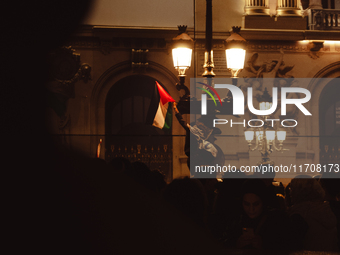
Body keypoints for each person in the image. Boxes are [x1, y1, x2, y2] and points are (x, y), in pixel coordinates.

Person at [221, 179, 288, 250]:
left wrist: (266, 245)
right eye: (247, 204)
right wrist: (235, 244)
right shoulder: (236, 220)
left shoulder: (277, 220)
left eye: (256, 204)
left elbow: (289, 245)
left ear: (263, 202)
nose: (251, 209)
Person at [287, 176, 339, 251]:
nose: (290, 193)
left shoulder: (300, 215)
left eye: (291, 189)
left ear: (299, 192)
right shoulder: (326, 210)